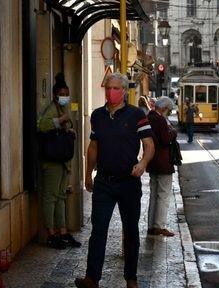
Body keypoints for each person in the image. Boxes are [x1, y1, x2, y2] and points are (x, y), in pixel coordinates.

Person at [75, 73, 155, 288]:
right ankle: (92, 278)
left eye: (115, 88)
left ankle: (131, 279)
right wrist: (87, 175)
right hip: (104, 182)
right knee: (98, 230)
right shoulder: (98, 116)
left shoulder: (137, 114)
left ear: (124, 91)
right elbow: (93, 147)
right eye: (108, 88)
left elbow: (149, 145)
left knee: (130, 231)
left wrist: (143, 163)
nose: (111, 92)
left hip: (129, 182)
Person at [37, 73, 81, 249]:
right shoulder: (52, 109)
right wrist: (59, 121)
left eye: (67, 94)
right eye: (62, 94)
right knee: (50, 197)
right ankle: (51, 234)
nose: (65, 97)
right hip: (52, 161)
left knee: (61, 196)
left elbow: (65, 127)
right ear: (56, 95)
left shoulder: (64, 109)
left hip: (63, 161)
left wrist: (69, 130)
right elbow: (41, 125)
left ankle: (63, 232)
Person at [146, 97, 177, 237]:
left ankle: (151, 225)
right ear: (164, 108)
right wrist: (173, 132)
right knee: (163, 195)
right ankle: (159, 226)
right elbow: (165, 139)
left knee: (154, 194)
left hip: (152, 161)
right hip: (163, 162)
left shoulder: (149, 117)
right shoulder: (160, 120)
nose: (169, 113)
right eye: (169, 111)